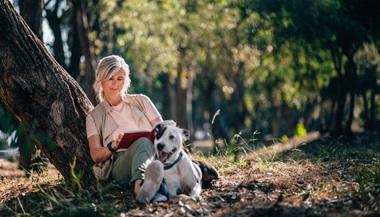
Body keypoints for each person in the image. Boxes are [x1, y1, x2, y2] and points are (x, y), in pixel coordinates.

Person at [86, 55, 165, 202]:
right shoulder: (93, 117)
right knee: (143, 142)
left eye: (120, 78)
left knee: (149, 145)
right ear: (100, 78)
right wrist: (112, 146)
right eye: (110, 78)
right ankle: (140, 190)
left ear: (126, 79)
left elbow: (161, 130)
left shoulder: (142, 101)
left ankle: (157, 185)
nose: (115, 83)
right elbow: (96, 155)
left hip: (153, 155)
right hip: (121, 166)